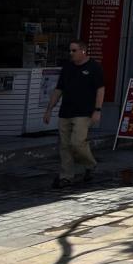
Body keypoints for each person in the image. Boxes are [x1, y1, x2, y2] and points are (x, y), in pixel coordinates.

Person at [43, 40, 103, 189]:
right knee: (64, 146)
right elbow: (59, 90)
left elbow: (100, 90)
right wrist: (49, 109)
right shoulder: (67, 68)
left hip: (83, 113)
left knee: (77, 142)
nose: (71, 53)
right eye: (70, 50)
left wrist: (97, 110)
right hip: (65, 111)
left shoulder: (94, 68)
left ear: (83, 51)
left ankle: (90, 164)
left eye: (74, 51)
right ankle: (66, 176)